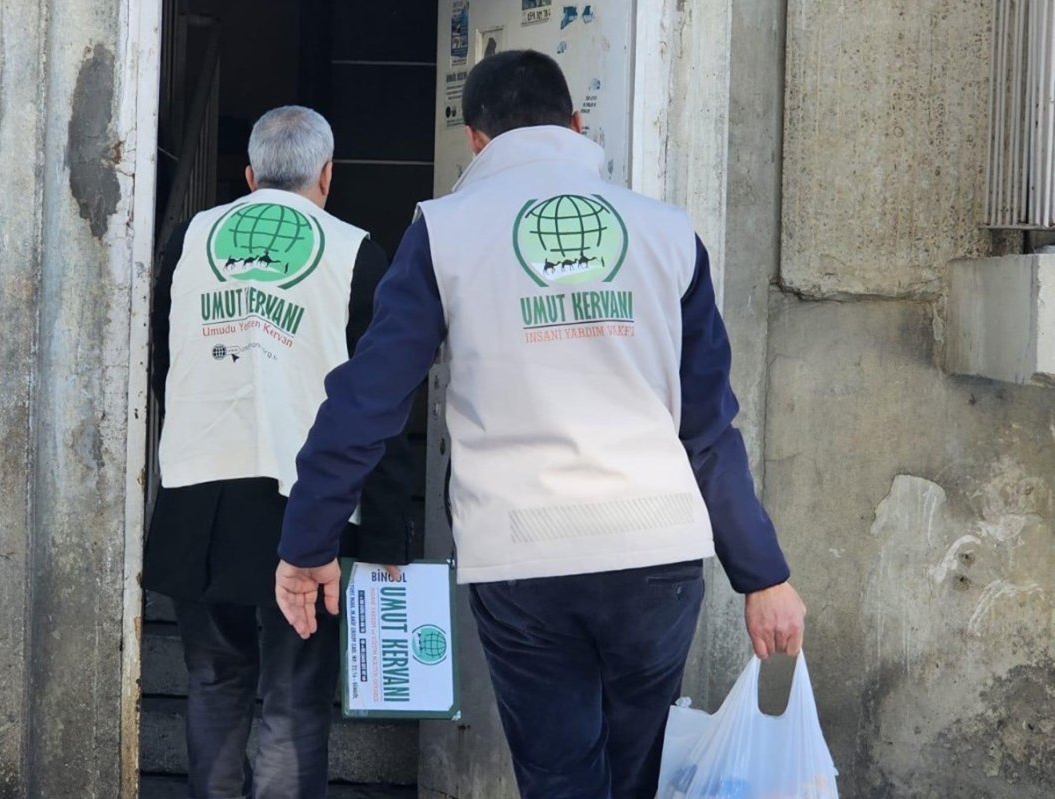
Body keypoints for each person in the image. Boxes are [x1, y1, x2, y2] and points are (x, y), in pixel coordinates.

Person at [275, 52, 806, 799]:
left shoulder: (446, 231)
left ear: (475, 140)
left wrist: (308, 542)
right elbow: (710, 426)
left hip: (524, 555)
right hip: (658, 554)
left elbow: (368, 401)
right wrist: (764, 575)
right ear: (578, 124)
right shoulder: (667, 231)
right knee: (635, 777)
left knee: (559, 779)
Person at [143, 105, 413, 799]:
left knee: (211, 683)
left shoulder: (188, 241)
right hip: (306, 510)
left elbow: (162, 360)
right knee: (294, 699)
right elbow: (376, 404)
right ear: (327, 174)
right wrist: (386, 538)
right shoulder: (357, 251)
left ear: (248, 174)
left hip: (196, 498)